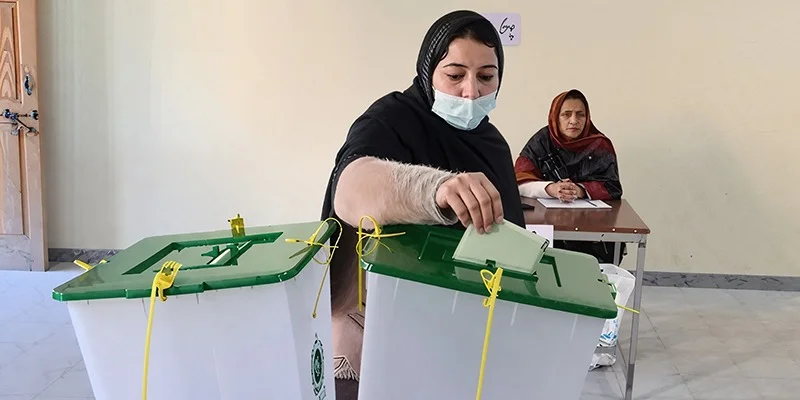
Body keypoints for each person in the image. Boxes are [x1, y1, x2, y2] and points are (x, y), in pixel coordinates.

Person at [319, 10, 525, 397]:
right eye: (454, 74)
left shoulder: (492, 144)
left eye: (485, 77)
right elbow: (350, 189)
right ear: (429, 70)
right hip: (372, 332)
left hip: (450, 334)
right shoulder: (390, 120)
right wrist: (436, 190)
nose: (470, 91)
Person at [514, 89, 625, 264]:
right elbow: (518, 180)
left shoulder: (600, 145)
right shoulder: (541, 142)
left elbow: (613, 186)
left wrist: (580, 190)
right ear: (555, 116)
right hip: (546, 225)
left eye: (580, 114)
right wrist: (550, 188)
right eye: (566, 114)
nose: (574, 121)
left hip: (593, 230)